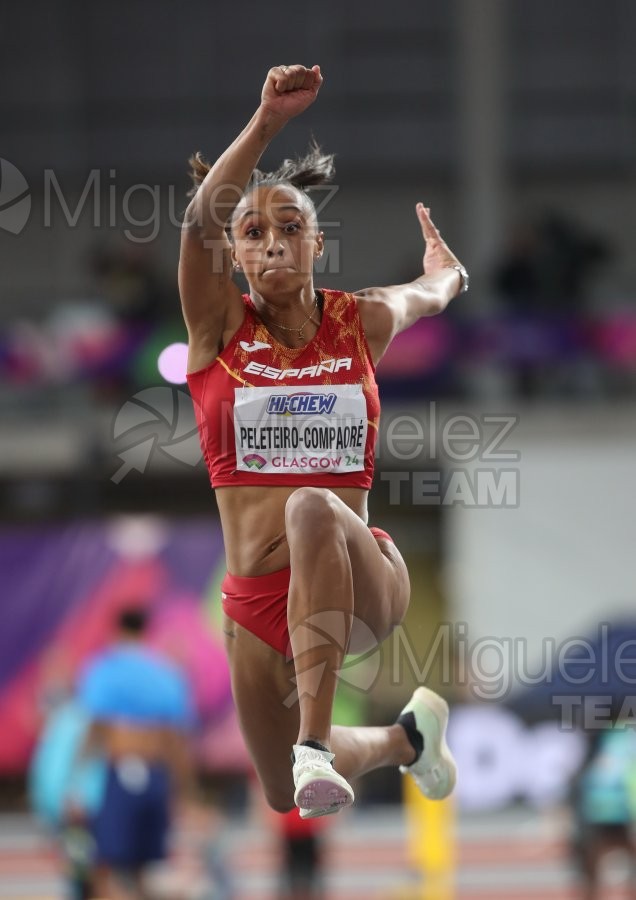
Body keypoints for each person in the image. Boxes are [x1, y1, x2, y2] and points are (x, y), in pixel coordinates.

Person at [180, 64, 466, 818]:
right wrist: (267, 120)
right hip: (255, 603)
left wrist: (448, 274)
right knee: (280, 793)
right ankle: (409, 739)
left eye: (290, 228)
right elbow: (197, 220)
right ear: (235, 256)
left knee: (309, 505)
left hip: (358, 573)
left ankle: (314, 741)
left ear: (318, 243)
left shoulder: (358, 321)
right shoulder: (218, 332)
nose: (271, 243)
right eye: (253, 234)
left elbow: (424, 294)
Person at [77, 606, 195, 899]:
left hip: (119, 773)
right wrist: (183, 791)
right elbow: (176, 741)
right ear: (146, 630)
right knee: (147, 867)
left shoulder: (102, 669)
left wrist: (76, 782)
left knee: (111, 865)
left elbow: (94, 730)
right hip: (156, 774)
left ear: (117, 630)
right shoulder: (165, 673)